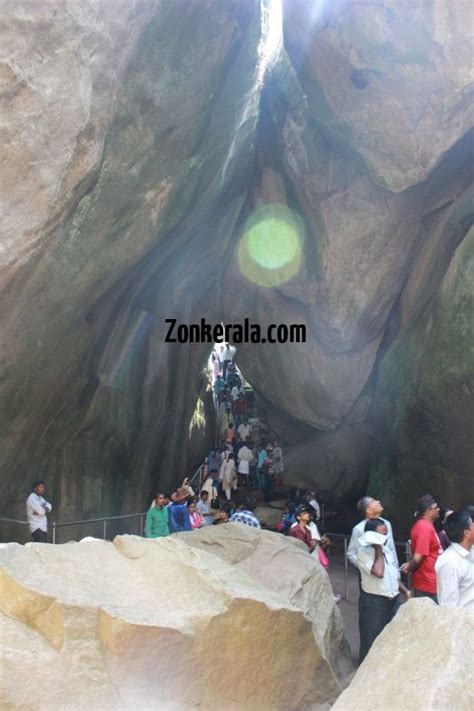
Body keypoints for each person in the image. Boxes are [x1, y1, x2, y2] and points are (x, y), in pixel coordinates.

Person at [357, 518, 410, 664]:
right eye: (381, 534)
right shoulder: (363, 553)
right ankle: (365, 673)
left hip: (393, 601)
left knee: (393, 636)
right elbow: (379, 572)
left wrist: (406, 591)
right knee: (371, 640)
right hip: (375, 603)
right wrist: (377, 548)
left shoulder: (388, 551)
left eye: (386, 534)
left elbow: (392, 576)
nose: (385, 538)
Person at [400, 494, 441, 602]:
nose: (438, 509)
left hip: (429, 580)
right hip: (427, 582)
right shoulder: (425, 528)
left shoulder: (426, 525)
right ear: (428, 511)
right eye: (436, 508)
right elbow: (418, 557)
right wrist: (409, 568)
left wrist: (409, 565)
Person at [435, 510, 474, 609]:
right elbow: (448, 608)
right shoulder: (449, 563)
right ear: (467, 533)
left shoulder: (470, 551)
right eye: (472, 524)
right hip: (465, 623)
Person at [347, 496, 397, 567]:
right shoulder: (359, 528)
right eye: (373, 502)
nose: (378, 501)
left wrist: (396, 570)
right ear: (368, 510)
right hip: (369, 573)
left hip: (389, 570)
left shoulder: (387, 523)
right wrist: (367, 567)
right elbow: (351, 553)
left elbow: (391, 548)